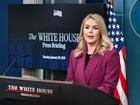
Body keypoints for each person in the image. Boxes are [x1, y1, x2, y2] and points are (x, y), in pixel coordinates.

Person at [65, 13, 120, 95]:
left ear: (101, 32)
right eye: (87, 27)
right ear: (82, 31)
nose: (90, 31)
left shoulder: (111, 55)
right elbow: (69, 82)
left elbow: (108, 87)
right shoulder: (75, 54)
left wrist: (85, 96)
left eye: (95, 28)